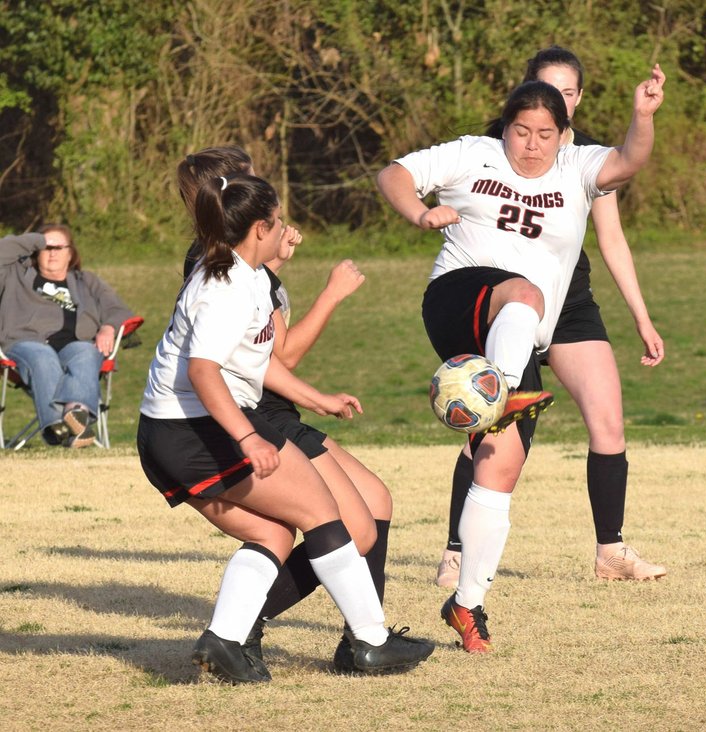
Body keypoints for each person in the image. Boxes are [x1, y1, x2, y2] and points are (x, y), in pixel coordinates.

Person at [377, 63, 665, 653]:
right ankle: (504, 390)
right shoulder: (473, 154)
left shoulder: (578, 167)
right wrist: (419, 212)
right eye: (520, 131)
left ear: (563, 133)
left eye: (543, 134)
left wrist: (643, 116)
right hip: (459, 298)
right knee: (525, 292)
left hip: (520, 331)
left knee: (500, 463)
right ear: (504, 128)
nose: (531, 144)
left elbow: (630, 160)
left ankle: (467, 604)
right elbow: (394, 174)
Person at [138, 171, 433, 683]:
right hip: (192, 428)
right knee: (324, 512)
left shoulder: (249, 275)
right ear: (258, 228)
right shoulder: (225, 285)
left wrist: (316, 399)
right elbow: (202, 371)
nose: (285, 232)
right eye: (278, 223)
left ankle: (225, 640)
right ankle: (369, 641)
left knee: (274, 532)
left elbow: (254, 362)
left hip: (182, 429)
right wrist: (249, 437)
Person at [434, 46, 667, 588]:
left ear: (578, 99)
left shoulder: (586, 158)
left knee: (608, 419)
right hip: (508, 298)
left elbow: (610, 236)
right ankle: (455, 551)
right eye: (546, 89)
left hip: (569, 301)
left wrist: (642, 316)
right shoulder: (497, 150)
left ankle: (610, 551)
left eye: (567, 92)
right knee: (496, 422)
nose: (556, 100)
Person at [177, 148, 394, 674]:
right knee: (348, 528)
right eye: (252, 181)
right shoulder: (219, 266)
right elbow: (282, 355)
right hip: (261, 414)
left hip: (277, 408)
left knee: (376, 503)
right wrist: (332, 294)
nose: (266, 195)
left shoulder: (250, 265)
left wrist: (275, 263)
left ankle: (363, 635)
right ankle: (254, 627)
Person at [0, 225, 133, 447]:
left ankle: (76, 414)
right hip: (25, 343)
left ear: (70, 253)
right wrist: (36, 239)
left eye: (58, 247)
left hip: (73, 344)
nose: (52, 252)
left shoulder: (86, 281)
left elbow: (118, 310)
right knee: (42, 355)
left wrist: (108, 327)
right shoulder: (17, 275)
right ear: (36, 250)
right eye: (45, 247)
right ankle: (58, 427)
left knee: (87, 351)